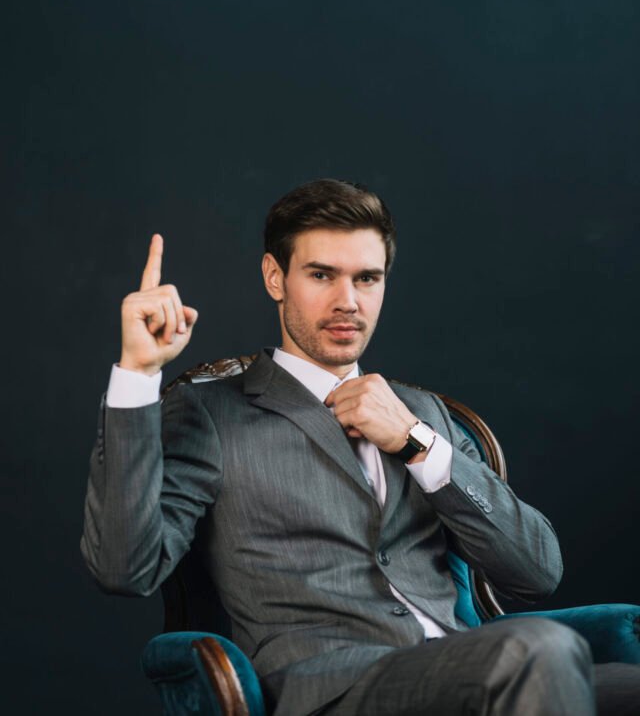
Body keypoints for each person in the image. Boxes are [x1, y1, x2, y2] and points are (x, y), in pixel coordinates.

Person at [81, 178, 640, 715]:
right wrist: (138, 373)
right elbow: (125, 568)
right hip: (332, 685)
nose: (348, 301)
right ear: (275, 277)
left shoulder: (421, 413)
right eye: (322, 275)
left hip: (476, 669)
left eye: (367, 279)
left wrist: (417, 444)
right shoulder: (212, 412)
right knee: (533, 650)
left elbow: (537, 572)